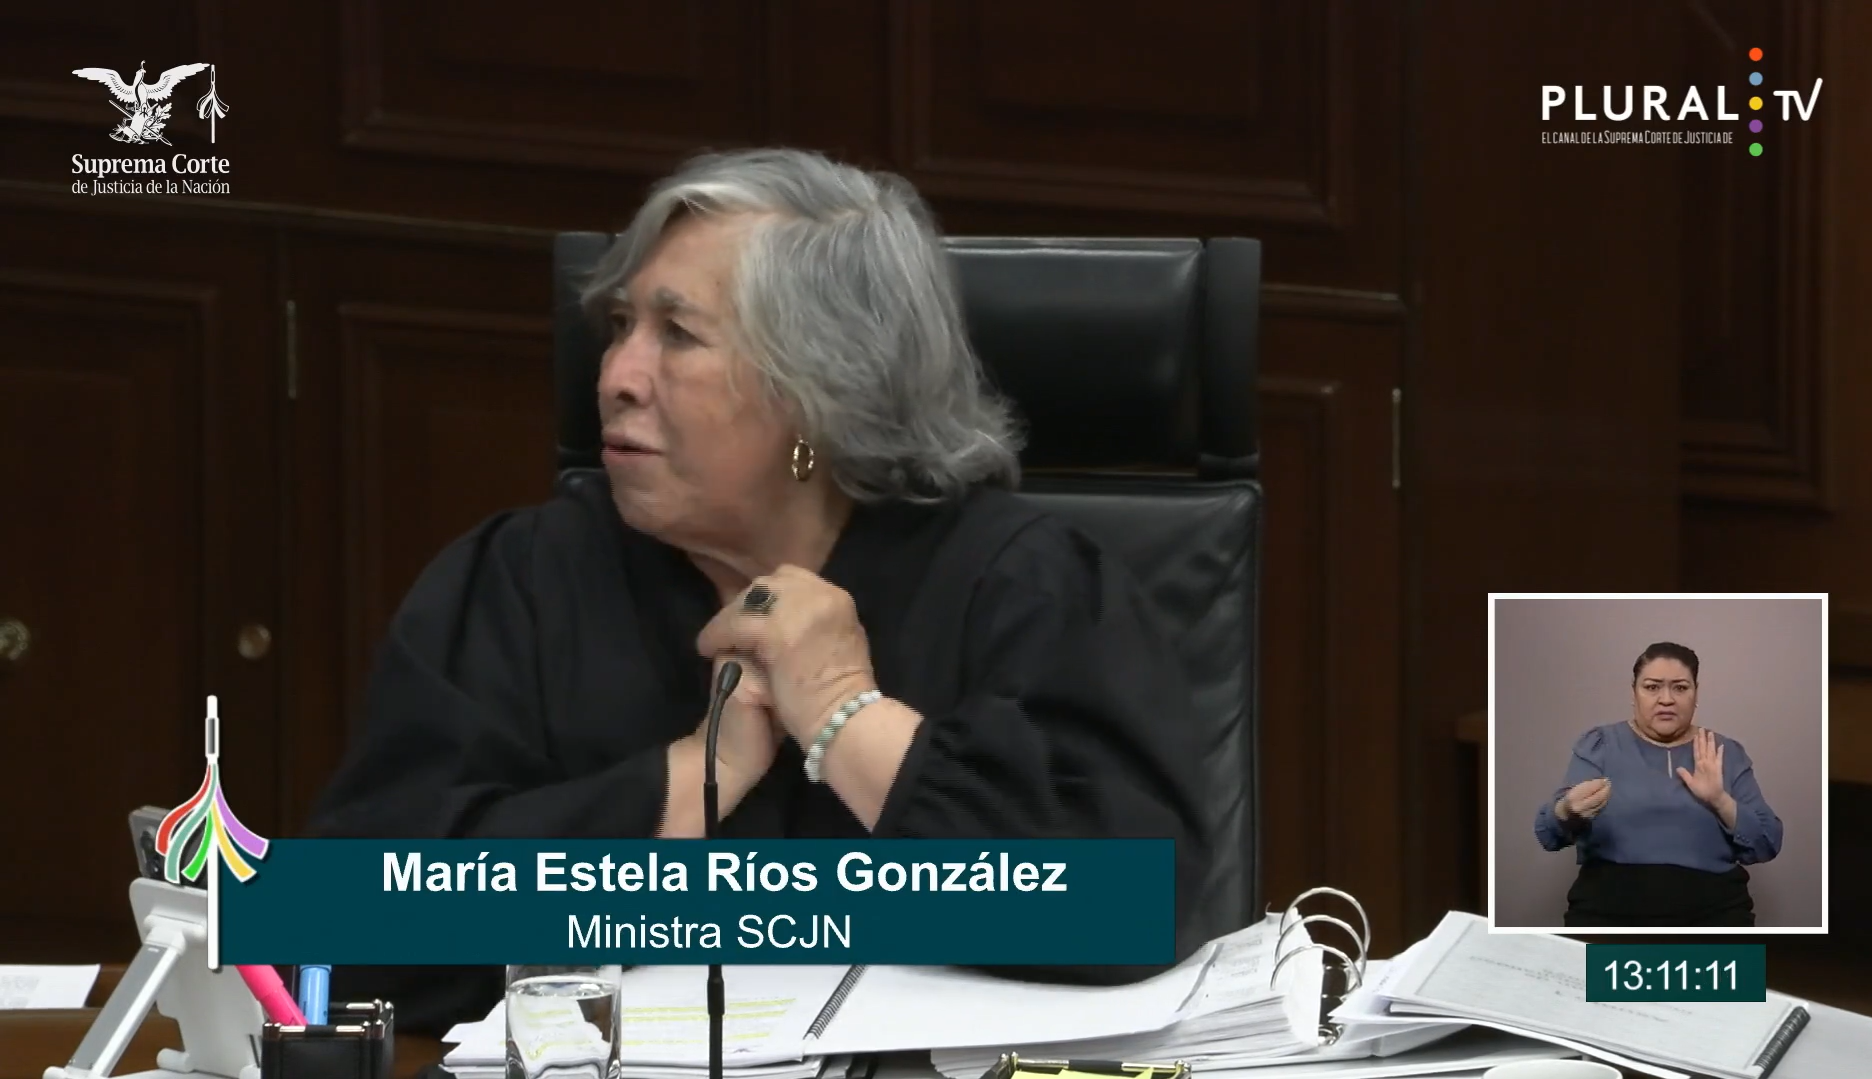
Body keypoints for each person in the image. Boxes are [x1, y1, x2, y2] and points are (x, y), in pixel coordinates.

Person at [306, 147, 1213, 1031]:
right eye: (620, 325)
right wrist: (692, 779)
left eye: (678, 334)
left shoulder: (1023, 585)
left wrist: (843, 718)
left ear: (819, 395)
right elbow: (341, 932)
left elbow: (1131, 910)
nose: (615, 377)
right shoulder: (524, 580)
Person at [1534, 641, 1784, 927]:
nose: (1666, 699)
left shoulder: (1724, 752)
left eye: (1680, 688)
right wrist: (1566, 811)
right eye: (1652, 687)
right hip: (1608, 916)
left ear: (1696, 693)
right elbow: (1548, 835)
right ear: (1634, 693)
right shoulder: (1600, 746)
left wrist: (1720, 800)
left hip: (1715, 917)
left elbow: (1768, 842)